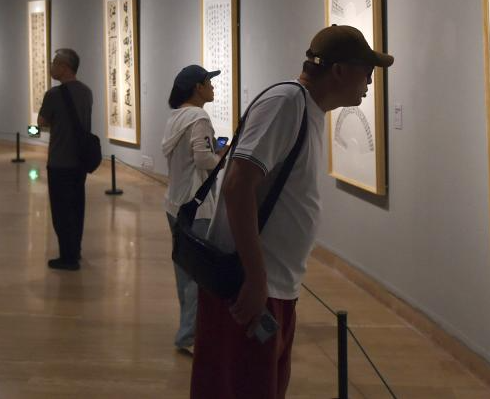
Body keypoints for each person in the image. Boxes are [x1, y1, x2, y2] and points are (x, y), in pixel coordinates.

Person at [190, 25, 393, 399]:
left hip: (272, 285)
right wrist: (255, 277)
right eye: (366, 71)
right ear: (338, 71)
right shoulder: (286, 103)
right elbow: (237, 185)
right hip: (247, 287)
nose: (369, 81)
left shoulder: (306, 109)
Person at [162, 65, 229, 355]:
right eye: (208, 83)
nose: (212, 87)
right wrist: (221, 156)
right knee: (198, 277)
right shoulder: (199, 117)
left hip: (175, 204)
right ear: (197, 88)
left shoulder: (175, 117)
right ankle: (190, 337)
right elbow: (203, 160)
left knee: (185, 272)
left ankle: (188, 332)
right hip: (196, 207)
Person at [38, 48, 94, 271]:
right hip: (80, 161)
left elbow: (41, 122)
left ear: (64, 66)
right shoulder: (87, 92)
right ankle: (75, 250)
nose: (51, 66)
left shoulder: (53, 95)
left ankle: (67, 257)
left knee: (61, 211)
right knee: (77, 207)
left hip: (60, 160)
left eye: (54, 62)